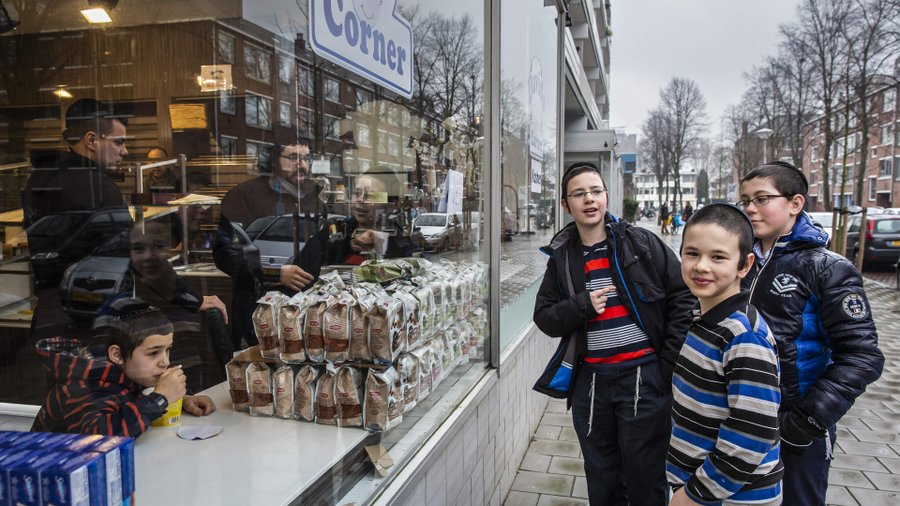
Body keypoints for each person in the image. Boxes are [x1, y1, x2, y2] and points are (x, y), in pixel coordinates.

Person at [533, 162, 695, 505]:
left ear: (606, 196)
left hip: (643, 380)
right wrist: (581, 305)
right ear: (565, 204)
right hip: (590, 385)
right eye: (579, 194)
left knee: (646, 479)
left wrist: (666, 367)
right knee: (603, 479)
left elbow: (683, 297)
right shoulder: (561, 258)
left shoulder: (640, 242)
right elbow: (545, 318)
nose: (589, 199)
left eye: (595, 191)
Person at [738, 161, 884, 506]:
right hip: (739, 419)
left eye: (761, 199)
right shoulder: (737, 260)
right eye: (745, 200)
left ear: (795, 203)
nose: (750, 208)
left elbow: (862, 356)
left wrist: (806, 421)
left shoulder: (828, 268)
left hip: (795, 430)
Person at [667, 203, 783, 506]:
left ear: (744, 265)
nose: (701, 266)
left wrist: (695, 494)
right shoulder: (704, 320)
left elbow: (752, 432)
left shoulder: (744, 335)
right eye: (692, 253)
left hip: (733, 496)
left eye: (718, 257)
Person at [31, 300, 216, 438]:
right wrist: (160, 399)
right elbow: (102, 438)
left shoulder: (128, 372)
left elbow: (135, 400)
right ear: (117, 355)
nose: (165, 362)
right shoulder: (83, 385)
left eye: (168, 349)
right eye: (153, 353)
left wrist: (181, 399)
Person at [24, 98, 128, 227]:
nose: (125, 151)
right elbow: (120, 238)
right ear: (91, 140)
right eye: (118, 142)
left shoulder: (39, 177)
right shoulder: (100, 188)